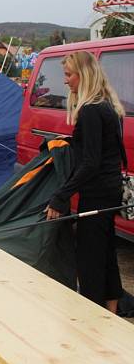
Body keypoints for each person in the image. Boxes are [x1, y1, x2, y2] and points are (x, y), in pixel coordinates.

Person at [45, 51, 125, 312]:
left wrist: (60, 196)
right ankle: (112, 312)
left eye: (68, 75)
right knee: (105, 253)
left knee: (89, 257)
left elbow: (91, 162)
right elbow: (99, 150)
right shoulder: (106, 105)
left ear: (84, 75)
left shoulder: (91, 111)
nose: (65, 81)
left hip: (98, 193)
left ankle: (92, 317)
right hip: (110, 190)